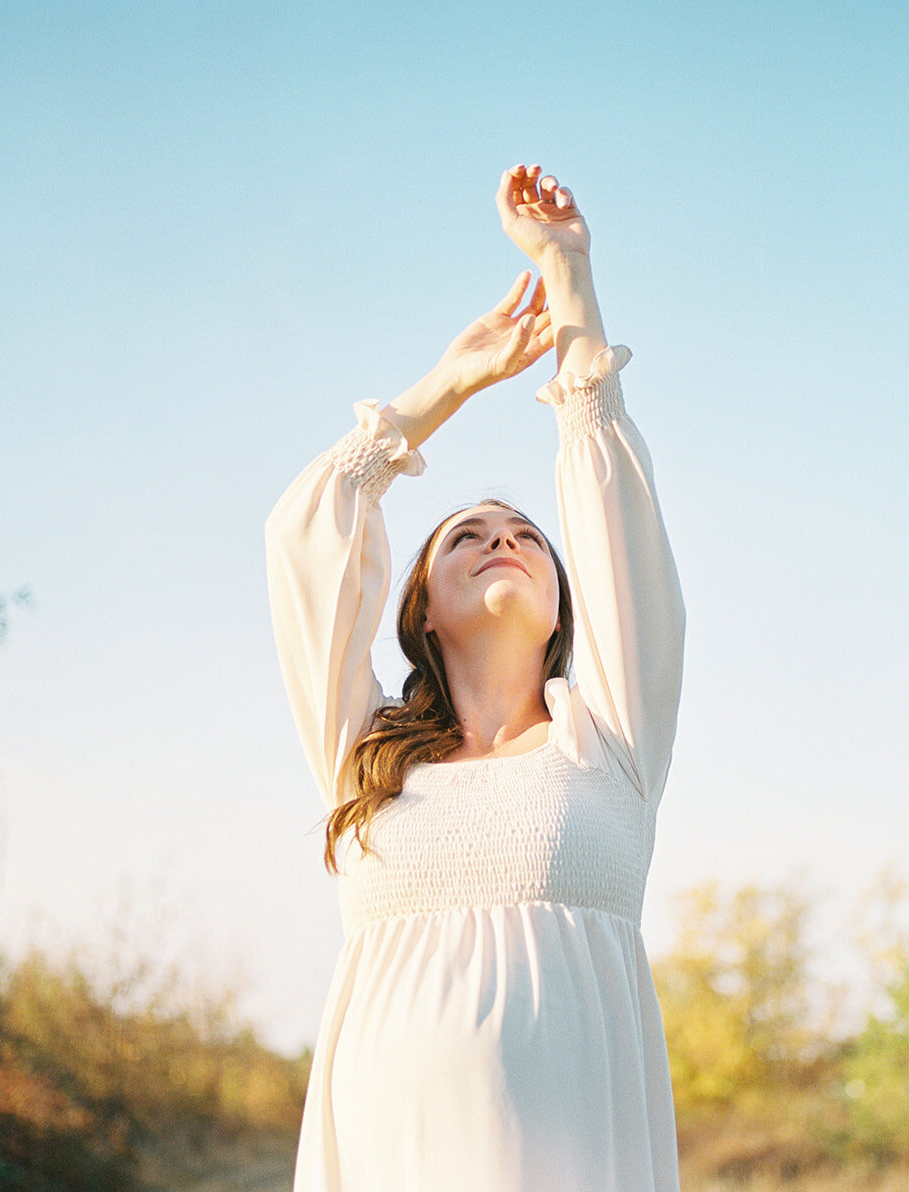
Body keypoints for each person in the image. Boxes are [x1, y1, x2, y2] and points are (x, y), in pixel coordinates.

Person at [267, 164, 685, 1192]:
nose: (501, 536)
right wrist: (440, 391)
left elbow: (617, 514)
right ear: (419, 606)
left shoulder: (609, 744)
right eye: (466, 533)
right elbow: (301, 540)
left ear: (562, 602)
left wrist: (570, 275)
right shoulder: (361, 754)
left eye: (524, 536)